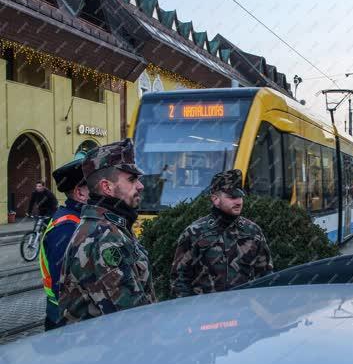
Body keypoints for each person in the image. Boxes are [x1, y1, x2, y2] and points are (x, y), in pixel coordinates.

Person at [58, 139, 156, 325]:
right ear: (107, 187)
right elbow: (132, 320)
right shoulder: (105, 238)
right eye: (132, 179)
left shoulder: (109, 227)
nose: (140, 186)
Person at [171, 169, 273, 298]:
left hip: (244, 311)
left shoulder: (252, 231)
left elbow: (265, 275)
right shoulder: (195, 232)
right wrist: (191, 312)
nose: (239, 202)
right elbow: (179, 279)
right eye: (232, 197)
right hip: (206, 313)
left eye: (240, 196)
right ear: (215, 199)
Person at [39, 155, 89, 330]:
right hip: (65, 320)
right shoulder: (67, 226)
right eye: (94, 185)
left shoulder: (78, 219)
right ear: (80, 193)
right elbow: (63, 283)